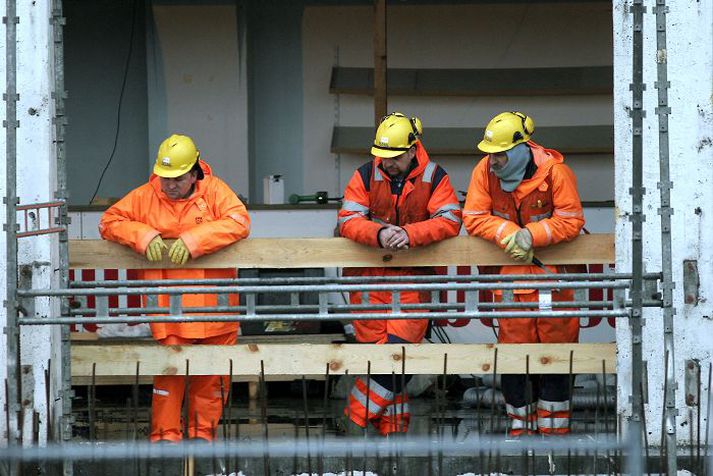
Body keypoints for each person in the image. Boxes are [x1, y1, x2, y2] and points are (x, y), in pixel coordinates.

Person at [99, 134, 250, 444]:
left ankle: (201, 440)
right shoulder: (145, 196)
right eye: (165, 177)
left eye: (177, 179)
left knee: (210, 381)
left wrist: (193, 241)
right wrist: (143, 236)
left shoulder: (216, 192)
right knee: (168, 380)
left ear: (194, 173)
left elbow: (239, 221)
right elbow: (109, 221)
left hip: (215, 314)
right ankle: (165, 442)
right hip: (169, 313)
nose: (169, 185)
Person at [337, 112, 462, 436]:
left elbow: (450, 220)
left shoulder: (434, 177)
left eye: (393, 158)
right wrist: (379, 235)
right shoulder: (365, 174)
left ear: (412, 150)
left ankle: (354, 419)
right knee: (382, 362)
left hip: (413, 280)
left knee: (399, 358)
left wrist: (409, 234)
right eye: (382, 156)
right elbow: (348, 220)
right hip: (366, 282)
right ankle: (393, 440)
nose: (386, 163)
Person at [463, 111, 585, 436]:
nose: (493, 161)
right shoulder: (484, 172)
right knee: (515, 362)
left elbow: (572, 219)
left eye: (500, 154)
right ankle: (520, 437)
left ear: (520, 149)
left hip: (554, 286)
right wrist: (508, 233)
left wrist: (532, 235)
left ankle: (554, 440)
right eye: (490, 154)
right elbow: (473, 216)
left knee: (557, 357)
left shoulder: (555, 173)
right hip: (511, 286)